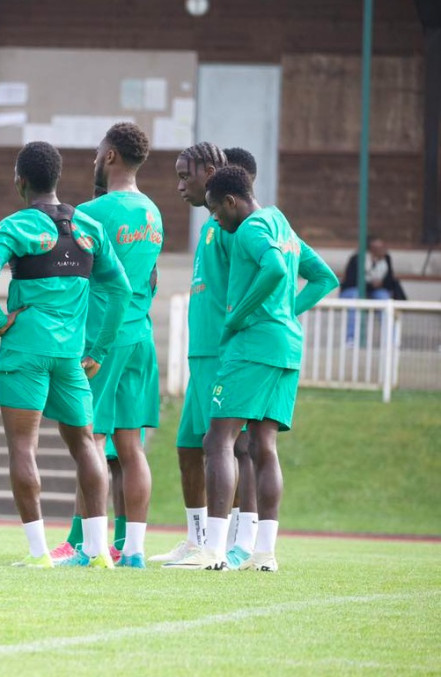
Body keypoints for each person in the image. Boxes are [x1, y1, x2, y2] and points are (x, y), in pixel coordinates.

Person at [0, 141, 130, 568]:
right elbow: (121, 290)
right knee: (85, 446)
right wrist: (99, 347)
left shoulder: (16, 226)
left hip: (26, 351)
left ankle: (39, 554)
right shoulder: (90, 227)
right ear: (58, 179)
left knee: (24, 448)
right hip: (71, 355)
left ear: (20, 180)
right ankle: (97, 552)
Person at [167, 165, 336, 571]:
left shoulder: (250, 229)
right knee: (263, 447)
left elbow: (275, 268)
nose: (216, 221)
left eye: (216, 211)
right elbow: (323, 277)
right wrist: (283, 313)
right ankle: (264, 553)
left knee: (217, 441)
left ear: (230, 201)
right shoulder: (281, 222)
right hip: (285, 349)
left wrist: (239, 315)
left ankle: (212, 551)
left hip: (253, 347)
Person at [55, 122, 163, 569]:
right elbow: (150, 278)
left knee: (90, 441)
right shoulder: (154, 212)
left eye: (98, 151)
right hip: (142, 337)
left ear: (112, 156)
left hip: (102, 338)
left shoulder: (93, 213)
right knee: (131, 444)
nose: (94, 159)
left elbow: (73, 279)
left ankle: (89, 547)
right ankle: (133, 550)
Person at [152, 142, 228, 564]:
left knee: (229, 448)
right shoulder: (209, 226)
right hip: (199, 356)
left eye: (186, 176)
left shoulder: (235, 226)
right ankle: (197, 539)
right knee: (187, 448)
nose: (180, 186)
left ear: (212, 172)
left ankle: (231, 544)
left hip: (222, 355)